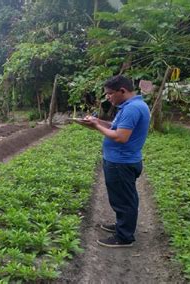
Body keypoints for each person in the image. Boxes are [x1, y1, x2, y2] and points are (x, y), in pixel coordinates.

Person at [74, 75, 150, 248]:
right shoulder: (131, 106)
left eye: (109, 94)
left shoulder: (132, 109)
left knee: (124, 200)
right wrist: (96, 121)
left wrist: (96, 127)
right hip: (120, 161)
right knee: (122, 197)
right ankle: (123, 225)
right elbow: (116, 128)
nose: (107, 97)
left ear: (122, 91)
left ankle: (124, 237)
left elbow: (120, 137)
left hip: (121, 163)